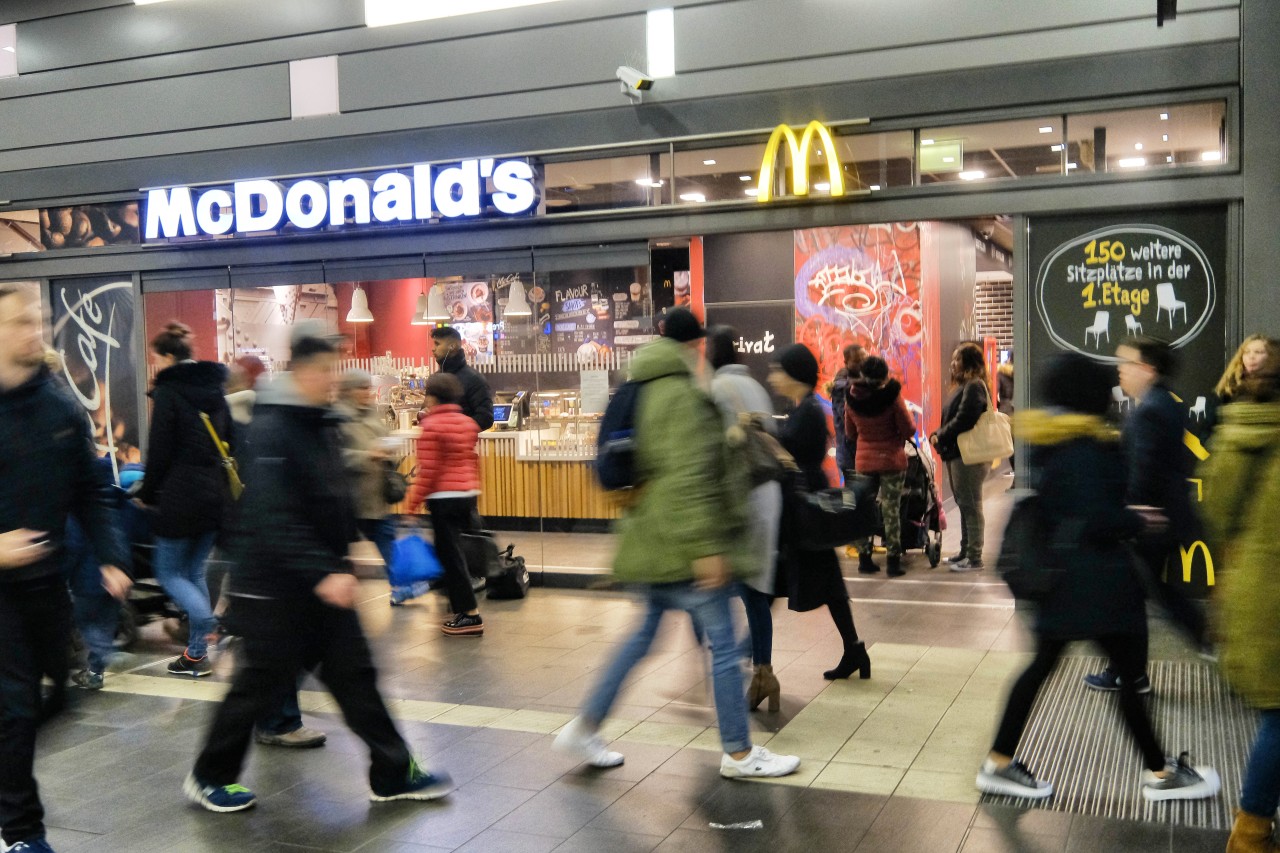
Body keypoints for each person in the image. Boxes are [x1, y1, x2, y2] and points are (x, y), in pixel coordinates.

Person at [185, 322, 451, 813]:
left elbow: (328, 499)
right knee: (254, 687)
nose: (333, 379)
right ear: (303, 369)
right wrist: (322, 570)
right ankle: (209, 775)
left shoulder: (319, 422)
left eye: (336, 369)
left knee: (357, 678)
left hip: (321, 585)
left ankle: (393, 772)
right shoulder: (272, 427)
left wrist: (342, 553)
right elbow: (270, 513)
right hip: (275, 590)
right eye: (326, 370)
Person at [553, 308, 800, 778]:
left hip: (651, 539)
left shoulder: (641, 385)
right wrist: (706, 547)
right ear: (696, 346)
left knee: (640, 638)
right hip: (683, 547)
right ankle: (740, 753)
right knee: (725, 646)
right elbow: (690, 478)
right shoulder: (682, 395)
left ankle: (584, 727)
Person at [975, 352, 1219, 804]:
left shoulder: (1052, 440)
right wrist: (1134, 519)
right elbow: (1094, 519)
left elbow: (1069, 510)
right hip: (1099, 585)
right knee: (1128, 678)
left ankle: (999, 762)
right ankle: (1161, 774)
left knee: (1044, 670)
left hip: (1064, 584)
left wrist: (1120, 516)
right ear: (1089, 396)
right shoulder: (1088, 448)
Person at [0, 285, 132, 853]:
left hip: (46, 583)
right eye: (22, 321)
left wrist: (110, 554)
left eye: (39, 319)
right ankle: (22, 832)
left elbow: (90, 488)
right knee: (15, 707)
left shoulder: (56, 403)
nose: (37, 329)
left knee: (59, 694)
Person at [1083, 335, 1206, 693]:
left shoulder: (1151, 409)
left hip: (1150, 520)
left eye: (1127, 363)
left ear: (1147, 369)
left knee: (1129, 599)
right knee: (1151, 595)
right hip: (1162, 518)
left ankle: (1130, 674)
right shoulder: (1161, 401)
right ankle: (1133, 671)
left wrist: (1129, 515)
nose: (1120, 369)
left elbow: (1145, 470)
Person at [1199, 350, 1280, 852]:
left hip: (1250, 589)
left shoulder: (1233, 433)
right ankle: (1250, 831)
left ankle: (1252, 829)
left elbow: (1215, 511)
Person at [136, 322, 234, 677]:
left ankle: (209, 620)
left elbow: (160, 451)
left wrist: (147, 494)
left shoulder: (169, 393)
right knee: (193, 572)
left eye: (156, 359)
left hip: (180, 497)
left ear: (167, 357)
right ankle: (195, 655)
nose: (156, 366)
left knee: (167, 572)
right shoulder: (215, 390)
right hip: (214, 495)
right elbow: (231, 442)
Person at [771, 343, 870, 681]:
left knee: (783, 580)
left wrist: (768, 439)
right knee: (827, 582)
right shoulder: (805, 407)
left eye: (778, 370)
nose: (773, 376)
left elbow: (793, 453)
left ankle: (745, 651)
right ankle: (854, 649)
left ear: (794, 374)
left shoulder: (809, 411)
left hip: (805, 508)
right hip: (805, 506)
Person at [706, 325, 784, 712]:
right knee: (755, 586)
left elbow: (717, 451)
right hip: (770, 491)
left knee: (733, 583)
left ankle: (749, 663)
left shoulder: (716, 390)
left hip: (742, 494)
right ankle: (758, 666)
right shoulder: (754, 387)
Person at [404, 372, 484, 637]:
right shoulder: (467, 423)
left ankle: (470, 615)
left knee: (451, 555)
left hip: (444, 497)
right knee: (452, 552)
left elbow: (429, 471)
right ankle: (460, 607)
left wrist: (411, 505)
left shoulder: (432, 426)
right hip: (466, 493)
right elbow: (471, 460)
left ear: (432, 396)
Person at [845, 356, 916, 577]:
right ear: (885, 375)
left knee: (863, 509)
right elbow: (909, 429)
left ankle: (864, 559)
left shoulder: (852, 398)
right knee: (891, 510)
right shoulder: (893, 397)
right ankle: (893, 562)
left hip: (865, 461)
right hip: (891, 460)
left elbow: (850, 433)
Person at [931, 342, 990, 572]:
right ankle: (966, 551)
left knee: (971, 505)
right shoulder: (966, 385)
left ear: (968, 362)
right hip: (958, 454)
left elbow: (965, 418)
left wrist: (940, 434)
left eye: (957, 359)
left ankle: (974, 557)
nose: (953, 363)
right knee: (965, 504)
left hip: (968, 456)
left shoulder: (974, 386)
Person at [336, 369, 396, 575]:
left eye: (367, 387)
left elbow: (386, 439)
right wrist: (367, 455)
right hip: (350, 500)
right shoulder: (337, 418)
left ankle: (400, 585)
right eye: (361, 388)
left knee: (387, 541)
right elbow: (335, 457)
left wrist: (389, 453)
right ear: (348, 390)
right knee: (342, 553)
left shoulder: (372, 414)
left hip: (377, 498)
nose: (366, 392)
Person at [430, 325, 494, 431]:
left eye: (437, 344)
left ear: (452, 346)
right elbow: (426, 409)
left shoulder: (474, 379)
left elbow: (485, 417)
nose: (433, 349)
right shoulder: (435, 379)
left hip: (461, 446)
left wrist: (454, 431)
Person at [829, 343, 867, 478]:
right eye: (857, 361)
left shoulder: (864, 382)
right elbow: (848, 418)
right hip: (850, 454)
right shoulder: (842, 387)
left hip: (862, 452)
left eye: (865, 359)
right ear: (846, 363)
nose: (863, 363)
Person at [1215, 334, 1277, 405]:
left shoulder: (1276, 385)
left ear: (1271, 356)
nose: (1251, 356)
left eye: (1258, 352)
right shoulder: (1231, 385)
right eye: (1247, 352)